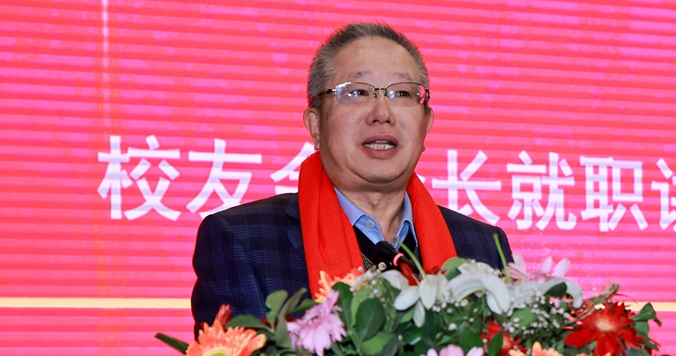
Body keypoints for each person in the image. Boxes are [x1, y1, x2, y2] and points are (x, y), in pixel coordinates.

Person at [190, 22, 512, 327]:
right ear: (316, 124)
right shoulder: (241, 240)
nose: (382, 113)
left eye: (402, 93)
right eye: (357, 92)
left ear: (426, 123)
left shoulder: (484, 248)